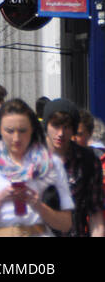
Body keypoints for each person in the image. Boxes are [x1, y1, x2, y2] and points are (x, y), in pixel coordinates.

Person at [0, 98, 73, 236]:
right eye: (9, 131)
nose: (16, 138)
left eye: (22, 130)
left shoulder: (51, 164)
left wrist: (38, 205)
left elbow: (66, 224)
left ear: (32, 129)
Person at [42, 99, 104, 237]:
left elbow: (95, 213)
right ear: (46, 125)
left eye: (67, 127)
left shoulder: (88, 160)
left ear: (74, 129)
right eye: (55, 125)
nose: (61, 133)